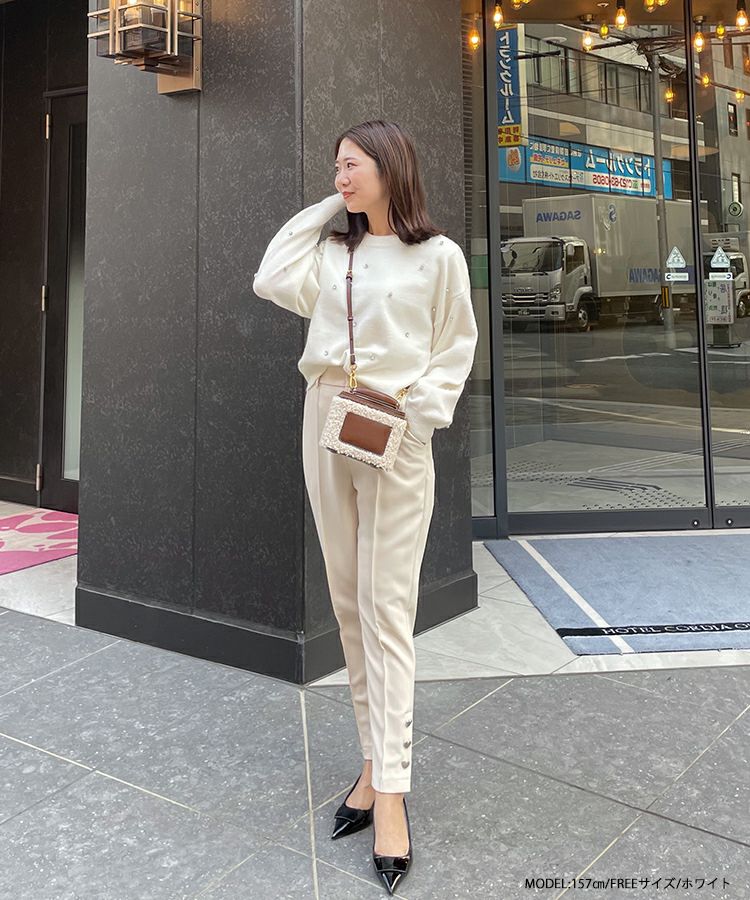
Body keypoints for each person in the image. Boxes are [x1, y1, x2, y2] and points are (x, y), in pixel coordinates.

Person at [253, 120, 478, 895]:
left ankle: (391, 794)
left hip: (395, 426)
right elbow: (269, 275)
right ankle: (372, 763)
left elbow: (455, 346)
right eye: (336, 167)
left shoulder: (438, 256)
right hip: (326, 414)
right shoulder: (330, 251)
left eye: (352, 165)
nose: (340, 175)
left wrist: (416, 419)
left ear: (391, 167)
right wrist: (333, 206)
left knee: (387, 611)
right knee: (349, 605)